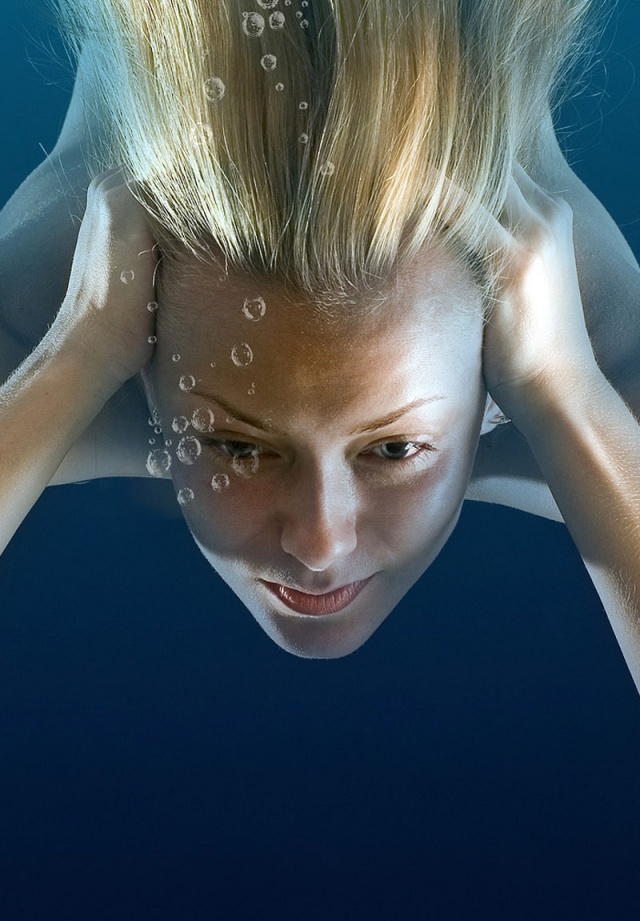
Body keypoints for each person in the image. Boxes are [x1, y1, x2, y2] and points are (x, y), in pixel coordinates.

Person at [0, 0, 639, 675]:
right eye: (236, 447)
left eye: (395, 449)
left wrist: (564, 390)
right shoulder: (37, 317)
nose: (319, 545)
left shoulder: (603, 362)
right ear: (143, 367)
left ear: (494, 396)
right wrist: (77, 352)